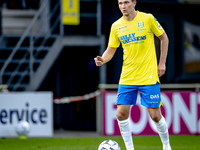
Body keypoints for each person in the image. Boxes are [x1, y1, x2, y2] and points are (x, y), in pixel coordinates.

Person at [94, 0, 171, 150]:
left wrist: (162, 63)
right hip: (128, 76)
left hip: (148, 75)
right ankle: (130, 149)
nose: (123, 6)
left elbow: (164, 38)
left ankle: (166, 146)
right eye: (120, 3)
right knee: (121, 114)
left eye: (126, 2)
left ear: (134, 3)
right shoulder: (116, 26)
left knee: (155, 116)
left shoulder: (147, 19)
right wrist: (102, 59)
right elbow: (111, 49)